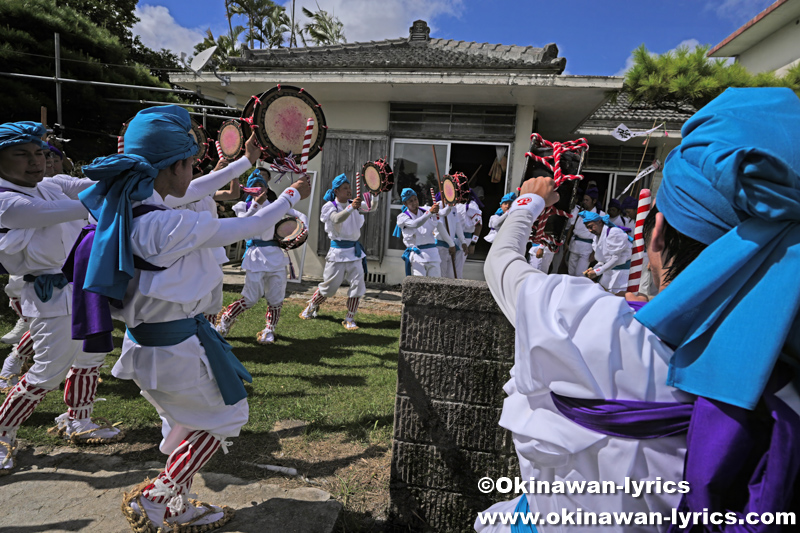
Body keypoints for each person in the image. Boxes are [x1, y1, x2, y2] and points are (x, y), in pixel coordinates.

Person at [477, 87, 800, 531]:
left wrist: (530, 201)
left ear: (656, 233)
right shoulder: (783, 382)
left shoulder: (582, 324)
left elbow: (501, 262)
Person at [75, 105, 310, 531]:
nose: (193, 174)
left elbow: (193, 187)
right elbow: (251, 224)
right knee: (227, 418)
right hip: (173, 349)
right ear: (173, 166)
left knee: (186, 421)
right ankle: (158, 495)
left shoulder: (134, 199)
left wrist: (244, 162)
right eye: (190, 164)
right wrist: (292, 195)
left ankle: (177, 503)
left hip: (153, 344)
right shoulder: (164, 227)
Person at [0, 122, 124, 475]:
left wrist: (137, 167)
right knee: (47, 371)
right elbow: (83, 205)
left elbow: (97, 187)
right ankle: (1, 433)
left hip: (83, 286)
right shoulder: (5, 200)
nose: (35, 161)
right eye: (21, 154)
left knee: (93, 353)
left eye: (38, 153)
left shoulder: (51, 185)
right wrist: (124, 183)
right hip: (47, 294)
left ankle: (78, 420)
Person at [217, 168, 307, 342]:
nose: (258, 188)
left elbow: (300, 214)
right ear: (249, 189)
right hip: (255, 257)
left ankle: (269, 330)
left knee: (276, 297)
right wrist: (257, 204)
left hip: (275, 256)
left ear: (266, 188)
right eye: (255, 185)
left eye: (261, 185)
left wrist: (304, 229)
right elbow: (244, 223)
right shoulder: (243, 206)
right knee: (250, 298)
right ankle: (226, 319)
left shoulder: (275, 206)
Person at [301, 174, 377, 329]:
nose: (349, 190)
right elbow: (336, 219)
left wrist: (374, 193)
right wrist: (351, 207)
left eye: (349, 188)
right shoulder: (329, 206)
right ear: (336, 191)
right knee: (329, 287)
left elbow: (371, 207)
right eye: (345, 188)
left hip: (355, 253)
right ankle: (312, 305)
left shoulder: (353, 203)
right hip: (337, 252)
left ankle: (350, 317)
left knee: (358, 285)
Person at [394, 188, 454, 277]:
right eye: (411, 201)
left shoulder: (425, 210)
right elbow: (415, 224)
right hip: (418, 255)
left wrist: (450, 204)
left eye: (415, 199)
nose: (414, 203)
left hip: (433, 254)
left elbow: (443, 213)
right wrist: (430, 212)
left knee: (434, 284)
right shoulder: (402, 217)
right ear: (405, 204)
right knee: (420, 286)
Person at [580, 211, 633, 294]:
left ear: (599, 222)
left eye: (591, 226)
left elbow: (615, 259)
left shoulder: (614, 233)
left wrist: (597, 272)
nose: (590, 230)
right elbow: (602, 260)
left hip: (621, 275)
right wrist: (593, 269)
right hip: (607, 273)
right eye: (588, 228)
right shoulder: (596, 238)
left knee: (619, 298)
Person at [564, 187, 604, 276]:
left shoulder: (600, 214)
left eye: (587, 200)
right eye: (584, 200)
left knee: (580, 274)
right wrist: (567, 242)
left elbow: (602, 235)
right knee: (571, 272)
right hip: (574, 245)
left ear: (594, 201)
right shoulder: (579, 213)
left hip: (587, 248)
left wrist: (595, 252)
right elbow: (572, 227)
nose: (584, 202)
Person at [433, 193, 467, 279]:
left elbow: (457, 224)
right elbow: (443, 215)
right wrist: (451, 244)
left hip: (451, 246)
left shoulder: (454, 208)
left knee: (450, 276)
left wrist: (463, 241)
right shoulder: (438, 206)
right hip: (441, 246)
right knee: (441, 275)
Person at [455, 187, 483, 278]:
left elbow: (478, 225)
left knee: (457, 269)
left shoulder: (471, 206)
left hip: (464, 238)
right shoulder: (455, 204)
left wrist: (473, 243)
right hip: (452, 238)